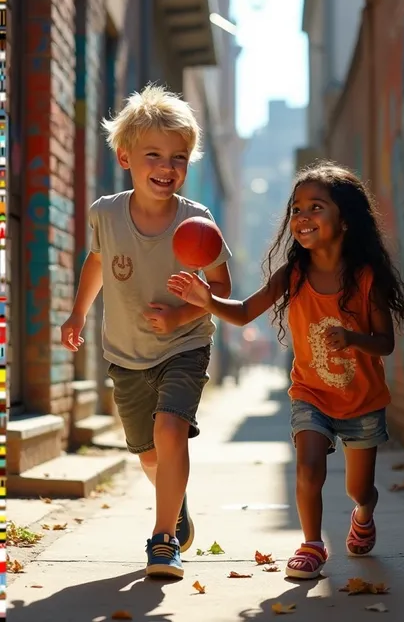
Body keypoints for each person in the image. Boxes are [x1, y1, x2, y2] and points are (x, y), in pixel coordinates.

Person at [168, 162, 404, 580]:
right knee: (308, 465)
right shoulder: (294, 273)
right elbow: (245, 311)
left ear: (345, 219)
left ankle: (363, 512)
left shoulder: (366, 277)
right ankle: (312, 544)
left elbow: (385, 343)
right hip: (311, 393)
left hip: (362, 401)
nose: (302, 217)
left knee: (360, 488)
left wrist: (353, 339)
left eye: (315, 207)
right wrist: (205, 298)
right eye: (296, 208)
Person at [60, 85, 232, 579]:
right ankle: (174, 508)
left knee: (171, 429)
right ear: (125, 156)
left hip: (185, 344)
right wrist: (77, 315)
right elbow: (95, 264)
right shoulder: (106, 214)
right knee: (151, 454)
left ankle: (162, 541)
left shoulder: (198, 222)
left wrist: (180, 316)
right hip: (126, 352)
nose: (167, 166)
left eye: (178, 157)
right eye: (153, 154)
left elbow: (220, 286)